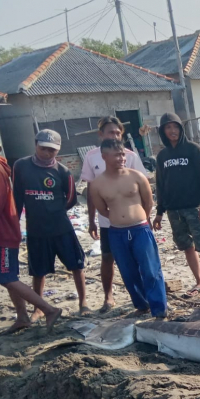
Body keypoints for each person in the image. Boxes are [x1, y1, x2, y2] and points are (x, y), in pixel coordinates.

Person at [0, 124, 61, 332]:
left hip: (3, 233)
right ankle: (23, 316)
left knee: (6, 276)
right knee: (7, 276)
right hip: (0, 231)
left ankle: (48, 309)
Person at [11, 130, 88, 318]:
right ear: (35, 144)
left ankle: (83, 302)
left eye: (52, 150)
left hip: (61, 228)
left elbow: (70, 199)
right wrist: (15, 222)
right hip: (36, 229)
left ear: (58, 150)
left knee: (77, 266)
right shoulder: (21, 166)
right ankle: (39, 307)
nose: (47, 153)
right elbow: (17, 197)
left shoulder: (63, 171)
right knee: (38, 271)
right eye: (43, 148)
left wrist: (54, 209)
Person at [152, 113, 200, 300]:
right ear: (163, 131)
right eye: (168, 128)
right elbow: (160, 185)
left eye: (175, 127)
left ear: (181, 128)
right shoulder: (162, 156)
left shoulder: (194, 150)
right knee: (187, 246)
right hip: (173, 210)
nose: (172, 131)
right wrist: (160, 212)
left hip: (194, 207)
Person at [89, 139, 166, 318]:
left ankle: (159, 309)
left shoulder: (137, 176)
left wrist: (138, 217)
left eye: (123, 154)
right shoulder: (97, 184)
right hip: (117, 233)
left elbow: (148, 202)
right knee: (128, 272)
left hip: (140, 230)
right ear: (104, 157)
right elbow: (102, 210)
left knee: (151, 270)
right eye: (116, 155)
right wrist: (119, 219)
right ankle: (141, 305)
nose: (121, 158)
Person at [82, 116, 149, 312]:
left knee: (140, 259)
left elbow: (145, 190)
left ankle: (143, 297)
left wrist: (144, 216)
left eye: (118, 132)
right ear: (100, 134)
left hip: (136, 222)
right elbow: (90, 190)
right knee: (107, 257)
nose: (116, 135)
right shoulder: (92, 157)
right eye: (111, 132)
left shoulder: (130, 156)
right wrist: (92, 220)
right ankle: (108, 296)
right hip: (107, 223)